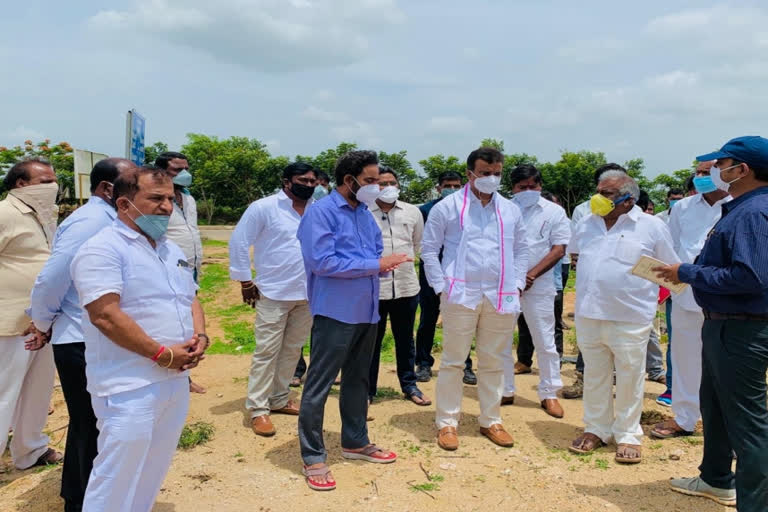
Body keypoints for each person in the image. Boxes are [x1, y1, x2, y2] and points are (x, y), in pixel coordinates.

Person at [71, 165, 207, 511]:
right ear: (124, 204)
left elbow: (190, 297)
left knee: (152, 468)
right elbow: (106, 315)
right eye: (155, 198)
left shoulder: (168, 248)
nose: (166, 206)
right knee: (116, 475)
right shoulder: (101, 249)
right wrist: (162, 353)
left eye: (169, 198)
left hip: (174, 379)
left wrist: (200, 336)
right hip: (129, 384)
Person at [655, 136, 768, 510]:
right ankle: (716, 477)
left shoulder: (753, 212)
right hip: (723, 323)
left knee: (748, 422)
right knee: (715, 403)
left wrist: (687, 271)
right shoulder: (742, 208)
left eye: (722, 164)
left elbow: (748, 277)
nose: (716, 171)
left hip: (742, 327)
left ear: (743, 169)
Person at [27, 157, 135, 512]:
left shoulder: (109, 219)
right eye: (134, 183)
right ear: (107, 189)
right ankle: (82, 500)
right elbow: (51, 279)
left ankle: (84, 494)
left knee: (92, 422)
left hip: (95, 337)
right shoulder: (89, 223)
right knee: (91, 423)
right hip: (79, 338)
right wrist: (42, 323)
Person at [296, 150, 408, 491]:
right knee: (319, 384)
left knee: (359, 379)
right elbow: (323, 263)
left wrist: (377, 263)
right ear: (350, 181)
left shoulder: (364, 213)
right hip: (336, 312)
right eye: (370, 181)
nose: (376, 187)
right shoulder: (321, 214)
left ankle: (355, 441)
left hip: (367, 310)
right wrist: (376, 265)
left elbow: (373, 251)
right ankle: (313, 455)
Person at [567, 171, 678, 465]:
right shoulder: (586, 224)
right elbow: (575, 255)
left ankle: (628, 434)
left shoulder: (652, 227)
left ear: (628, 199)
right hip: (590, 312)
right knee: (594, 373)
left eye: (608, 193)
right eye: (599, 191)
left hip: (630, 314)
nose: (599, 198)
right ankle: (596, 428)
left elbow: (668, 268)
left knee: (630, 376)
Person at [422, 147, 528, 451]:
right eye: (485, 173)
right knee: (454, 361)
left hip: (501, 294)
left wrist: (518, 283)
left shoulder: (510, 209)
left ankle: (491, 420)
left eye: (496, 173)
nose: (491, 179)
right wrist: (441, 285)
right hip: (460, 293)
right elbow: (429, 249)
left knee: (494, 360)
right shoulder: (448, 207)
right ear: (470, 174)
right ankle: (447, 423)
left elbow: (521, 250)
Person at [229, 162, 316, 436]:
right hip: (273, 292)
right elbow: (240, 242)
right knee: (266, 351)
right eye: (303, 180)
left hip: (308, 292)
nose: (310, 185)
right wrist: (245, 280)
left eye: (313, 181)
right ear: (287, 181)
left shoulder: (317, 209)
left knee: (292, 349)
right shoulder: (264, 207)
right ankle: (258, 409)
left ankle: (279, 398)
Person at [650, 160, 730, 440]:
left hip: (724, 295)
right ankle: (685, 418)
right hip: (684, 293)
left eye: (707, 173)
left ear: (724, 173)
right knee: (684, 357)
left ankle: (726, 425)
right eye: (697, 173)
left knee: (724, 361)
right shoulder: (682, 208)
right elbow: (669, 249)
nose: (700, 178)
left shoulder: (739, 204)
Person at [0, 158, 63, 472]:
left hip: (43, 322)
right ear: (20, 184)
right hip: (9, 324)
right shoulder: (4, 214)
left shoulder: (45, 216)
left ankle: (30, 450)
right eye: (44, 181)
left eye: (53, 180)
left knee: (38, 391)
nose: (52, 186)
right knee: (3, 394)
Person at [501, 164, 570, 418]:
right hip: (506, 284)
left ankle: (549, 393)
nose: (528, 191)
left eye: (533, 186)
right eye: (522, 187)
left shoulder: (555, 212)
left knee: (545, 339)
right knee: (503, 339)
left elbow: (559, 249)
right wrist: (513, 277)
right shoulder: (502, 208)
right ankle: (506, 389)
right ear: (513, 189)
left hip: (539, 284)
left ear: (540, 186)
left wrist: (530, 275)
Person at [562, 163, 628, 400]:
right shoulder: (583, 212)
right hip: (592, 289)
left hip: (624, 294)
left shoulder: (633, 211)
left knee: (622, 342)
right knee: (590, 339)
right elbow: (577, 251)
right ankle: (583, 378)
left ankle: (620, 383)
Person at [368, 166, 430, 406]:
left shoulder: (412, 212)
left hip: (406, 286)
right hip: (374, 288)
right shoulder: (363, 212)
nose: (388, 187)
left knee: (406, 339)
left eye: (392, 182)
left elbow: (418, 244)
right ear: (373, 186)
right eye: (382, 184)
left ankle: (409, 385)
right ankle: (367, 390)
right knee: (371, 340)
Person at [414, 171, 477, 385]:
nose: (452, 188)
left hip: (461, 273)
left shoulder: (470, 208)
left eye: (457, 185)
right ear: (439, 188)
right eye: (448, 185)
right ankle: (423, 363)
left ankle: (465, 364)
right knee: (428, 319)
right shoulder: (425, 210)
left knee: (462, 320)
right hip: (431, 272)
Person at [155, 151, 206, 394]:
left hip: (190, 267)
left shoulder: (188, 198)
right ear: (162, 172)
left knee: (188, 322)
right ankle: (175, 375)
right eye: (177, 169)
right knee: (172, 321)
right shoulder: (157, 201)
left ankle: (184, 374)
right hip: (169, 267)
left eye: (186, 168)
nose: (184, 173)